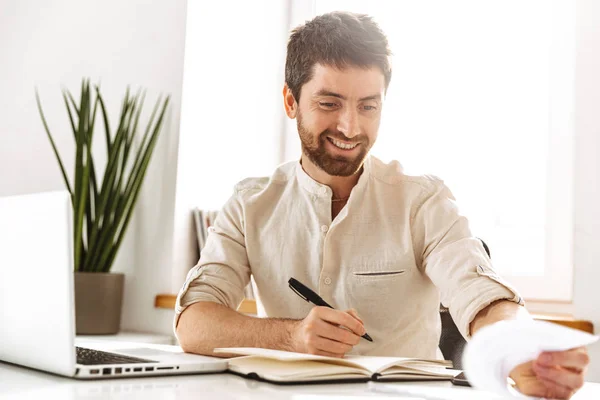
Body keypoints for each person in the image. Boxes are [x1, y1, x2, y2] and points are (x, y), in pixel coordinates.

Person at [175, 11, 589, 399]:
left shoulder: (422, 200)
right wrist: (292, 336)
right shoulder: (250, 204)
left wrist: (519, 347)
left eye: (368, 106)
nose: (351, 127)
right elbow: (194, 324)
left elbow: (480, 294)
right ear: (290, 102)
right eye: (329, 103)